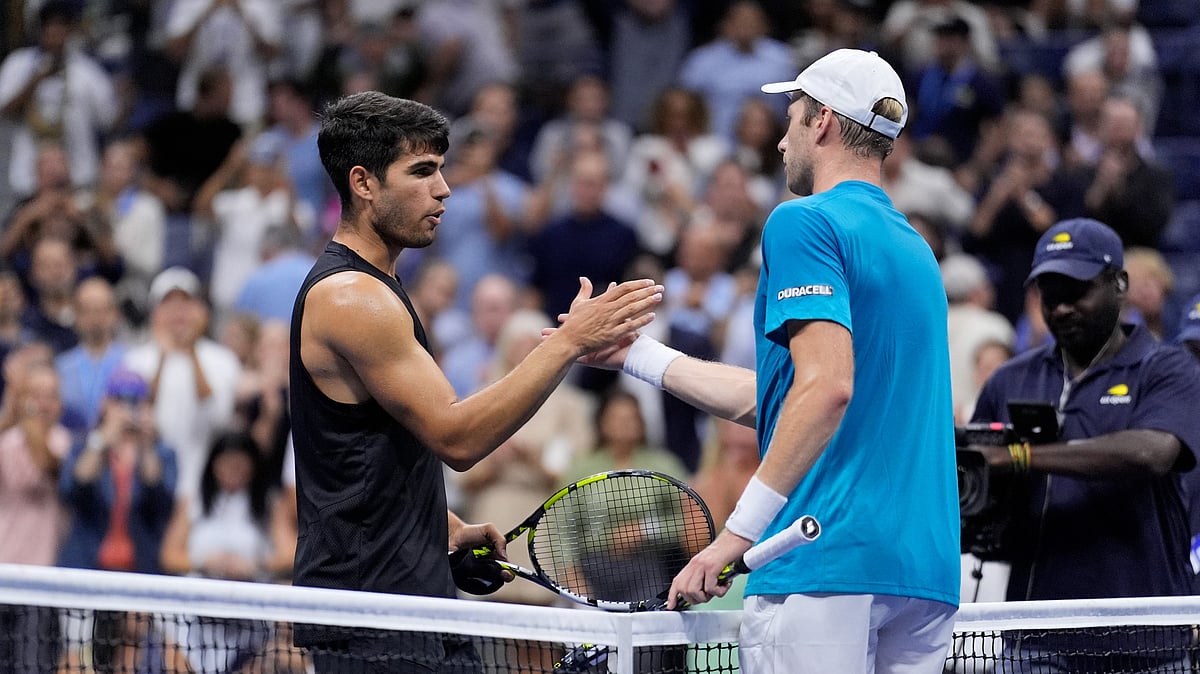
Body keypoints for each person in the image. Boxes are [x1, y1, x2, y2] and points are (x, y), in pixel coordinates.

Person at [572, 49, 960, 672]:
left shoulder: (803, 222)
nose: (781, 142)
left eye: (792, 117)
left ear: (824, 122)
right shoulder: (916, 250)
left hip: (823, 557)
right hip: (923, 572)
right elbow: (790, 401)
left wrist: (737, 534)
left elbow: (826, 388)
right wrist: (636, 356)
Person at [289, 91, 661, 670]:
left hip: (413, 597)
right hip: (372, 613)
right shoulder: (352, 297)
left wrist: (445, 525)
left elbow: (364, 452)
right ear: (362, 183)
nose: (444, 189)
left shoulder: (376, 289)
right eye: (422, 172)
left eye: (441, 169)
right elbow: (457, 439)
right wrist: (568, 342)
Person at [968, 218, 1200, 672]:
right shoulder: (1011, 379)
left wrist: (1021, 457)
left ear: (1120, 283)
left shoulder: (1167, 369)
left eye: (1077, 291)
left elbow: (1152, 452)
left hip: (1149, 637)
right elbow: (977, 486)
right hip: (1037, 634)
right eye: (1050, 294)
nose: (1062, 308)